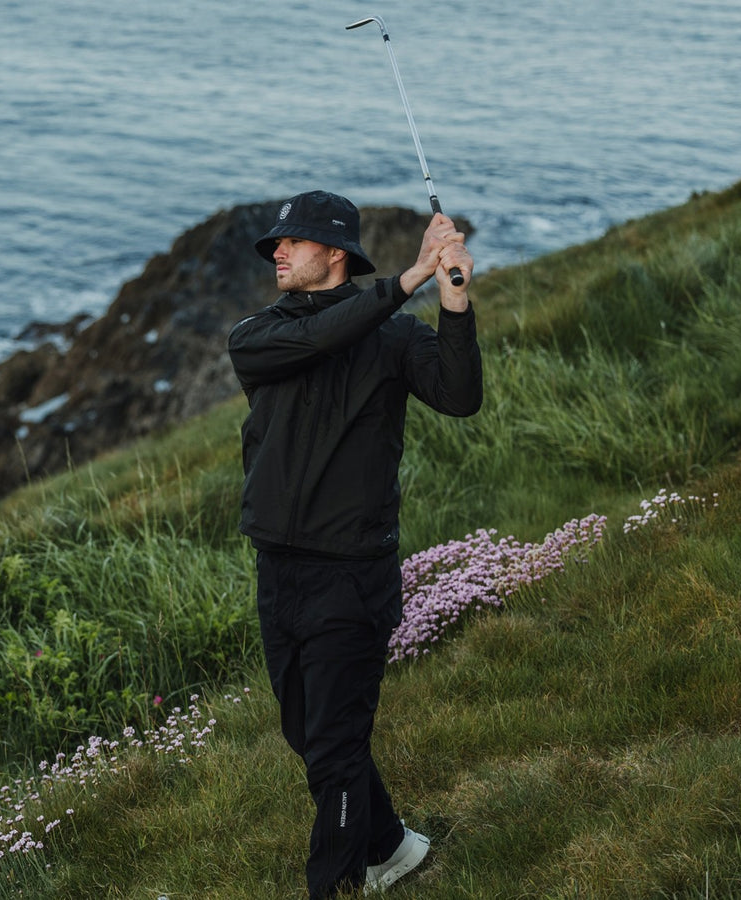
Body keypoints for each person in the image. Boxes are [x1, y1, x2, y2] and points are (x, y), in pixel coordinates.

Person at [226, 190, 481, 898]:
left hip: (351, 577)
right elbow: (321, 337)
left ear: (334, 254)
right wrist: (407, 279)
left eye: (292, 243)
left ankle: (332, 886)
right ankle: (391, 845)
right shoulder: (259, 336)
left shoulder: (394, 340)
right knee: (308, 734)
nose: (276, 252)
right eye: (276, 245)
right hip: (277, 572)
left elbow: (461, 396)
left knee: (335, 753)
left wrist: (453, 304)